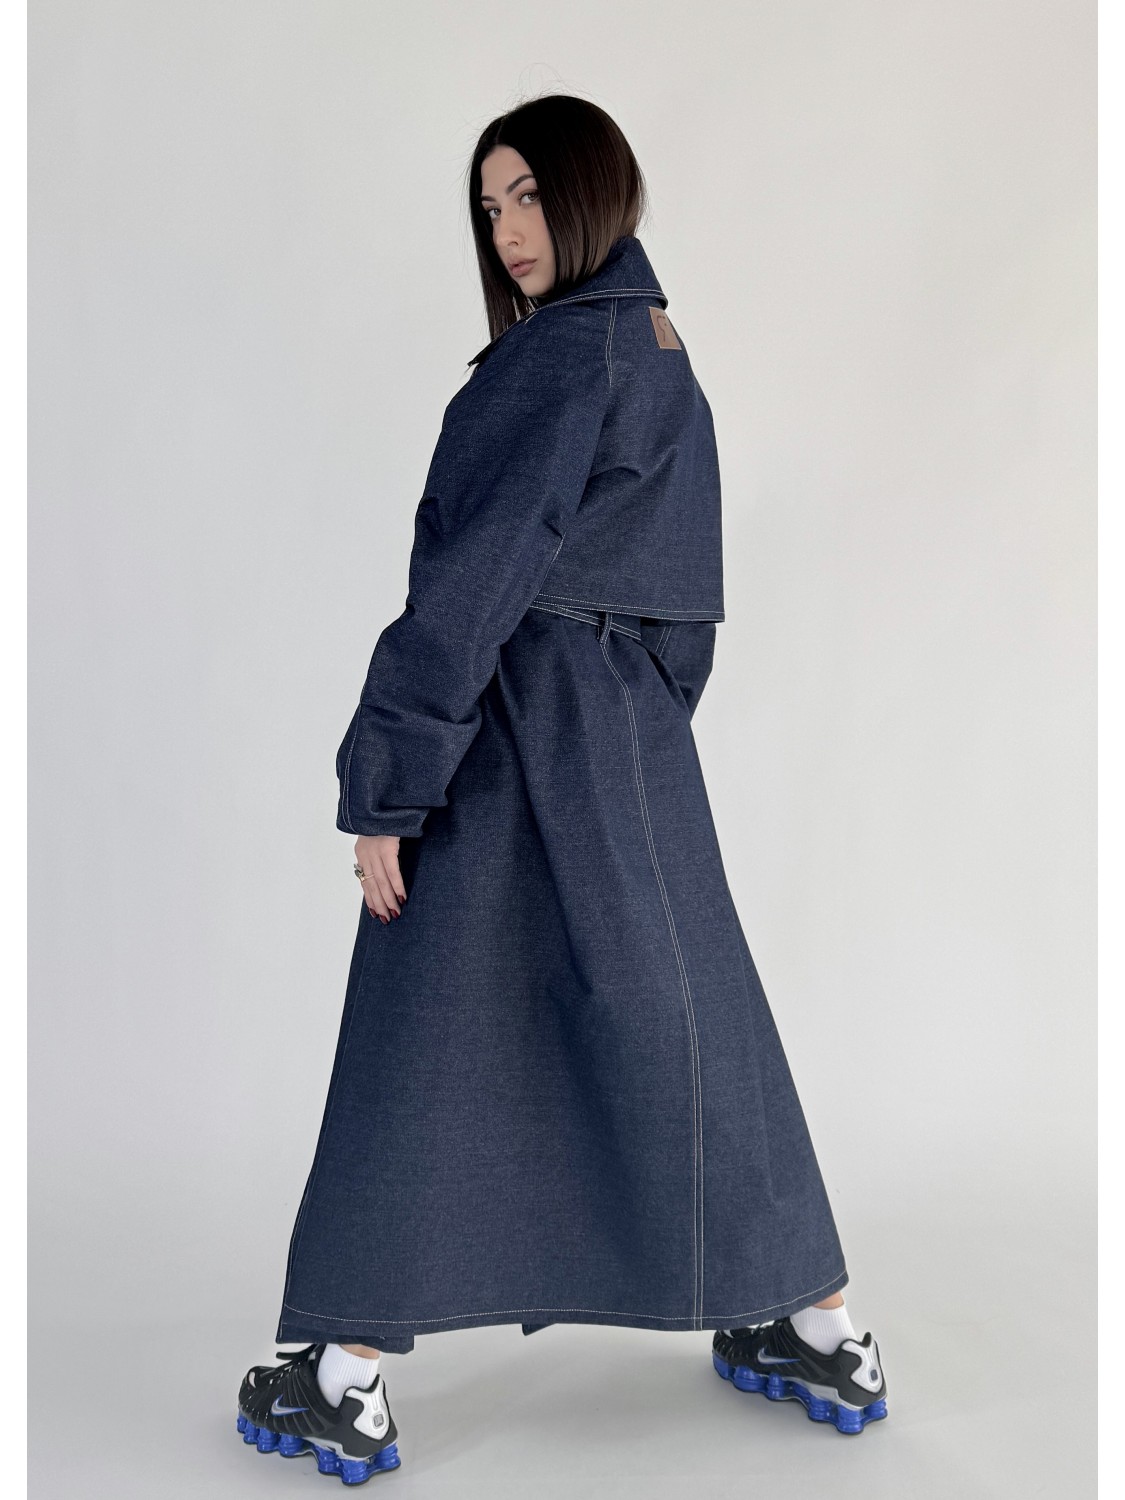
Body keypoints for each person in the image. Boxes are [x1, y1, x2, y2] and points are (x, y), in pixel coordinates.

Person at [235, 93, 888, 1485]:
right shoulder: (658, 347)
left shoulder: (551, 359)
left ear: (595, 191)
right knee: (689, 1021)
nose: (508, 230)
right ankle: (821, 1329)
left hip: (510, 722)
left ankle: (343, 1378)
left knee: (422, 1027)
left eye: (530, 194)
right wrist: (633, 721)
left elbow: (468, 585)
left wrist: (389, 782)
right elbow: (690, 599)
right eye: (489, 207)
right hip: (629, 738)